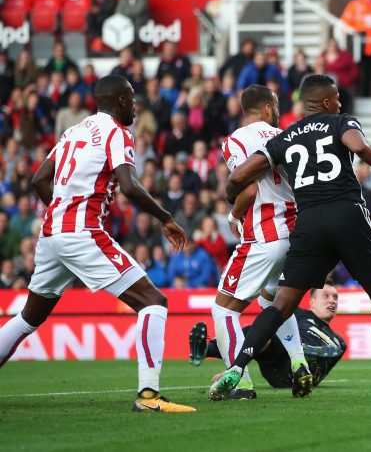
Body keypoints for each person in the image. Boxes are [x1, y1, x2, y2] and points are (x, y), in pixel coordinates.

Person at [209, 74, 371, 401]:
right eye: (336, 98)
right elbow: (360, 146)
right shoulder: (340, 122)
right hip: (347, 214)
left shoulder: (287, 136)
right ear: (326, 102)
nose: (339, 103)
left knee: (280, 305)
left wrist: (230, 197)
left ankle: (237, 367)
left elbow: (240, 176)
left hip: (308, 224)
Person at [0, 74, 193, 413]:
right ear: (120, 100)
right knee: (153, 301)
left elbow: (38, 179)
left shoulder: (73, 131)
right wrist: (165, 218)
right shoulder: (118, 133)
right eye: (132, 99)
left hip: (50, 234)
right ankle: (149, 396)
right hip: (81, 232)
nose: (135, 106)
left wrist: (62, 212)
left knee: (29, 317)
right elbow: (130, 187)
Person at [208, 84, 307, 400]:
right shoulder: (286, 137)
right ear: (266, 108)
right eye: (275, 105)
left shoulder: (237, 140)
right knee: (272, 301)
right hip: (295, 235)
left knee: (224, 310)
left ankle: (241, 383)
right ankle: (299, 363)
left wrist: (233, 216)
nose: (277, 111)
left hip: (264, 234)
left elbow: (247, 190)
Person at [190, 283, 346, 390]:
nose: (332, 301)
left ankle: (233, 366)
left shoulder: (338, 341)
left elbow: (327, 356)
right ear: (312, 302)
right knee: (262, 331)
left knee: (268, 334)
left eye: (335, 297)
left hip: (298, 375)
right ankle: (208, 350)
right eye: (326, 296)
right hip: (276, 360)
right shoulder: (297, 313)